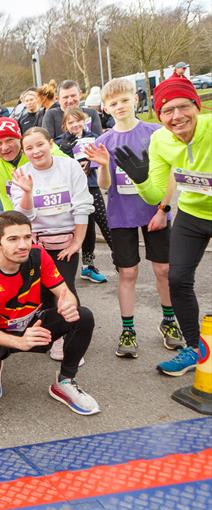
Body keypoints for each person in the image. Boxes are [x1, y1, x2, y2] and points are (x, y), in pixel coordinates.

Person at [82, 77, 183, 359]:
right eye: (114, 103)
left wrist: (163, 210)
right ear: (105, 107)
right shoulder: (103, 141)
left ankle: (169, 321)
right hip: (121, 216)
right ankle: (128, 329)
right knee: (127, 273)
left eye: (125, 100)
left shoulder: (155, 132)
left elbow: (170, 176)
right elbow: (105, 186)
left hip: (155, 213)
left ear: (135, 100)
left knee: (163, 270)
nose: (120, 106)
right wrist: (102, 165)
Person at [118, 76, 210, 376]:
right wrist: (142, 180)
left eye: (183, 107)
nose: (176, 116)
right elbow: (158, 194)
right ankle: (195, 348)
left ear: (197, 106)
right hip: (193, 214)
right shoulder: (160, 139)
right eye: (167, 111)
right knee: (178, 279)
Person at [0, 211, 100, 415]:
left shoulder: (38, 255)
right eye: (13, 239)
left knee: (83, 316)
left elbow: (65, 293)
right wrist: (19, 342)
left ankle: (65, 382)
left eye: (27, 237)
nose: (23, 245)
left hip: (35, 327)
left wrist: (68, 306)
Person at [11, 127, 95, 361]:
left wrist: (77, 242)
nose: (36, 151)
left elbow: (82, 205)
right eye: (29, 148)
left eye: (40, 144)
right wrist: (27, 193)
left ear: (50, 143)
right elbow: (24, 217)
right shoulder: (21, 174)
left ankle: (73, 339)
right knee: (43, 294)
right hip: (37, 243)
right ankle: (54, 336)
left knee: (65, 290)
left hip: (66, 240)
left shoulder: (68, 167)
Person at [55, 107, 111, 284]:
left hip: (92, 186)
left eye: (77, 120)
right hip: (72, 191)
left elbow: (103, 160)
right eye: (70, 122)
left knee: (105, 222)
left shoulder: (95, 137)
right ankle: (87, 266)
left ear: (84, 120)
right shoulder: (61, 143)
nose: (75, 125)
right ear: (65, 125)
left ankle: (121, 260)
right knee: (86, 227)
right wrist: (66, 151)